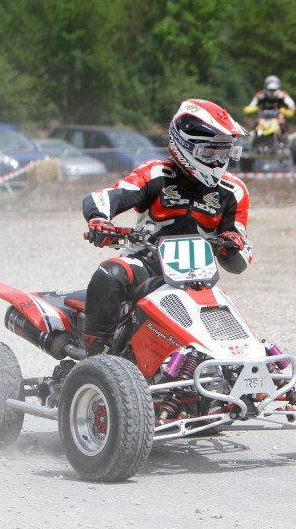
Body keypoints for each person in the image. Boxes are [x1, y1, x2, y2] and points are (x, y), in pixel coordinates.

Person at [80, 99, 252, 356]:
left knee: (222, 310)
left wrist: (232, 244)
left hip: (198, 275)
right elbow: (105, 197)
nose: (217, 162)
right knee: (112, 273)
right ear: (184, 145)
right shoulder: (155, 174)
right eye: (209, 154)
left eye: (224, 153)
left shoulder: (233, 190)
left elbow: (239, 258)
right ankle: (95, 356)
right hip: (146, 264)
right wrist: (100, 221)